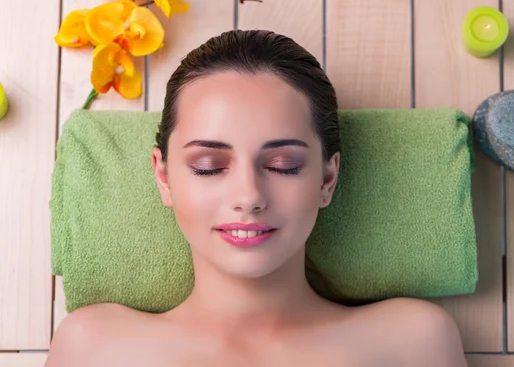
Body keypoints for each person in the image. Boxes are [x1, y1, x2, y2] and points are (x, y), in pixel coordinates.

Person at [45, 29, 467, 366]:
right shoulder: (93, 347)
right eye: (209, 166)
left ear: (327, 179)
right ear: (164, 177)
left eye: (284, 165)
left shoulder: (413, 341)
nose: (248, 197)